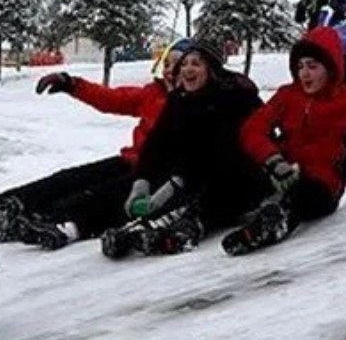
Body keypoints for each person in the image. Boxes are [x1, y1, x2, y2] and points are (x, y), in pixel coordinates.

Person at [226, 26, 346, 253]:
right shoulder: (287, 96)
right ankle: (209, 214)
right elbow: (253, 129)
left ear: (330, 68)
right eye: (300, 67)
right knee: (240, 178)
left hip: (323, 182)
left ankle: (275, 222)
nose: (304, 74)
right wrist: (272, 159)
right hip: (283, 170)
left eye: (312, 66)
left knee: (302, 196)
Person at [0, 42, 187, 250]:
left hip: (161, 175)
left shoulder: (198, 103)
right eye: (166, 64)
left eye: (177, 65)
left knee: (102, 194)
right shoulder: (153, 94)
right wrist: (72, 84)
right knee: (69, 178)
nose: (169, 71)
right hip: (132, 161)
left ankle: (55, 221)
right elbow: (112, 99)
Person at [100, 41, 264, 258]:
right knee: (155, 190)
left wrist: (177, 182)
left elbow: (219, 152)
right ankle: (139, 228)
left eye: (196, 64)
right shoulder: (179, 100)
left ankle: (186, 227)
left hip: (238, 175)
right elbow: (156, 143)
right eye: (184, 64)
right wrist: (142, 181)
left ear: (211, 69)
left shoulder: (233, 99)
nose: (188, 69)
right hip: (191, 175)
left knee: (214, 192)